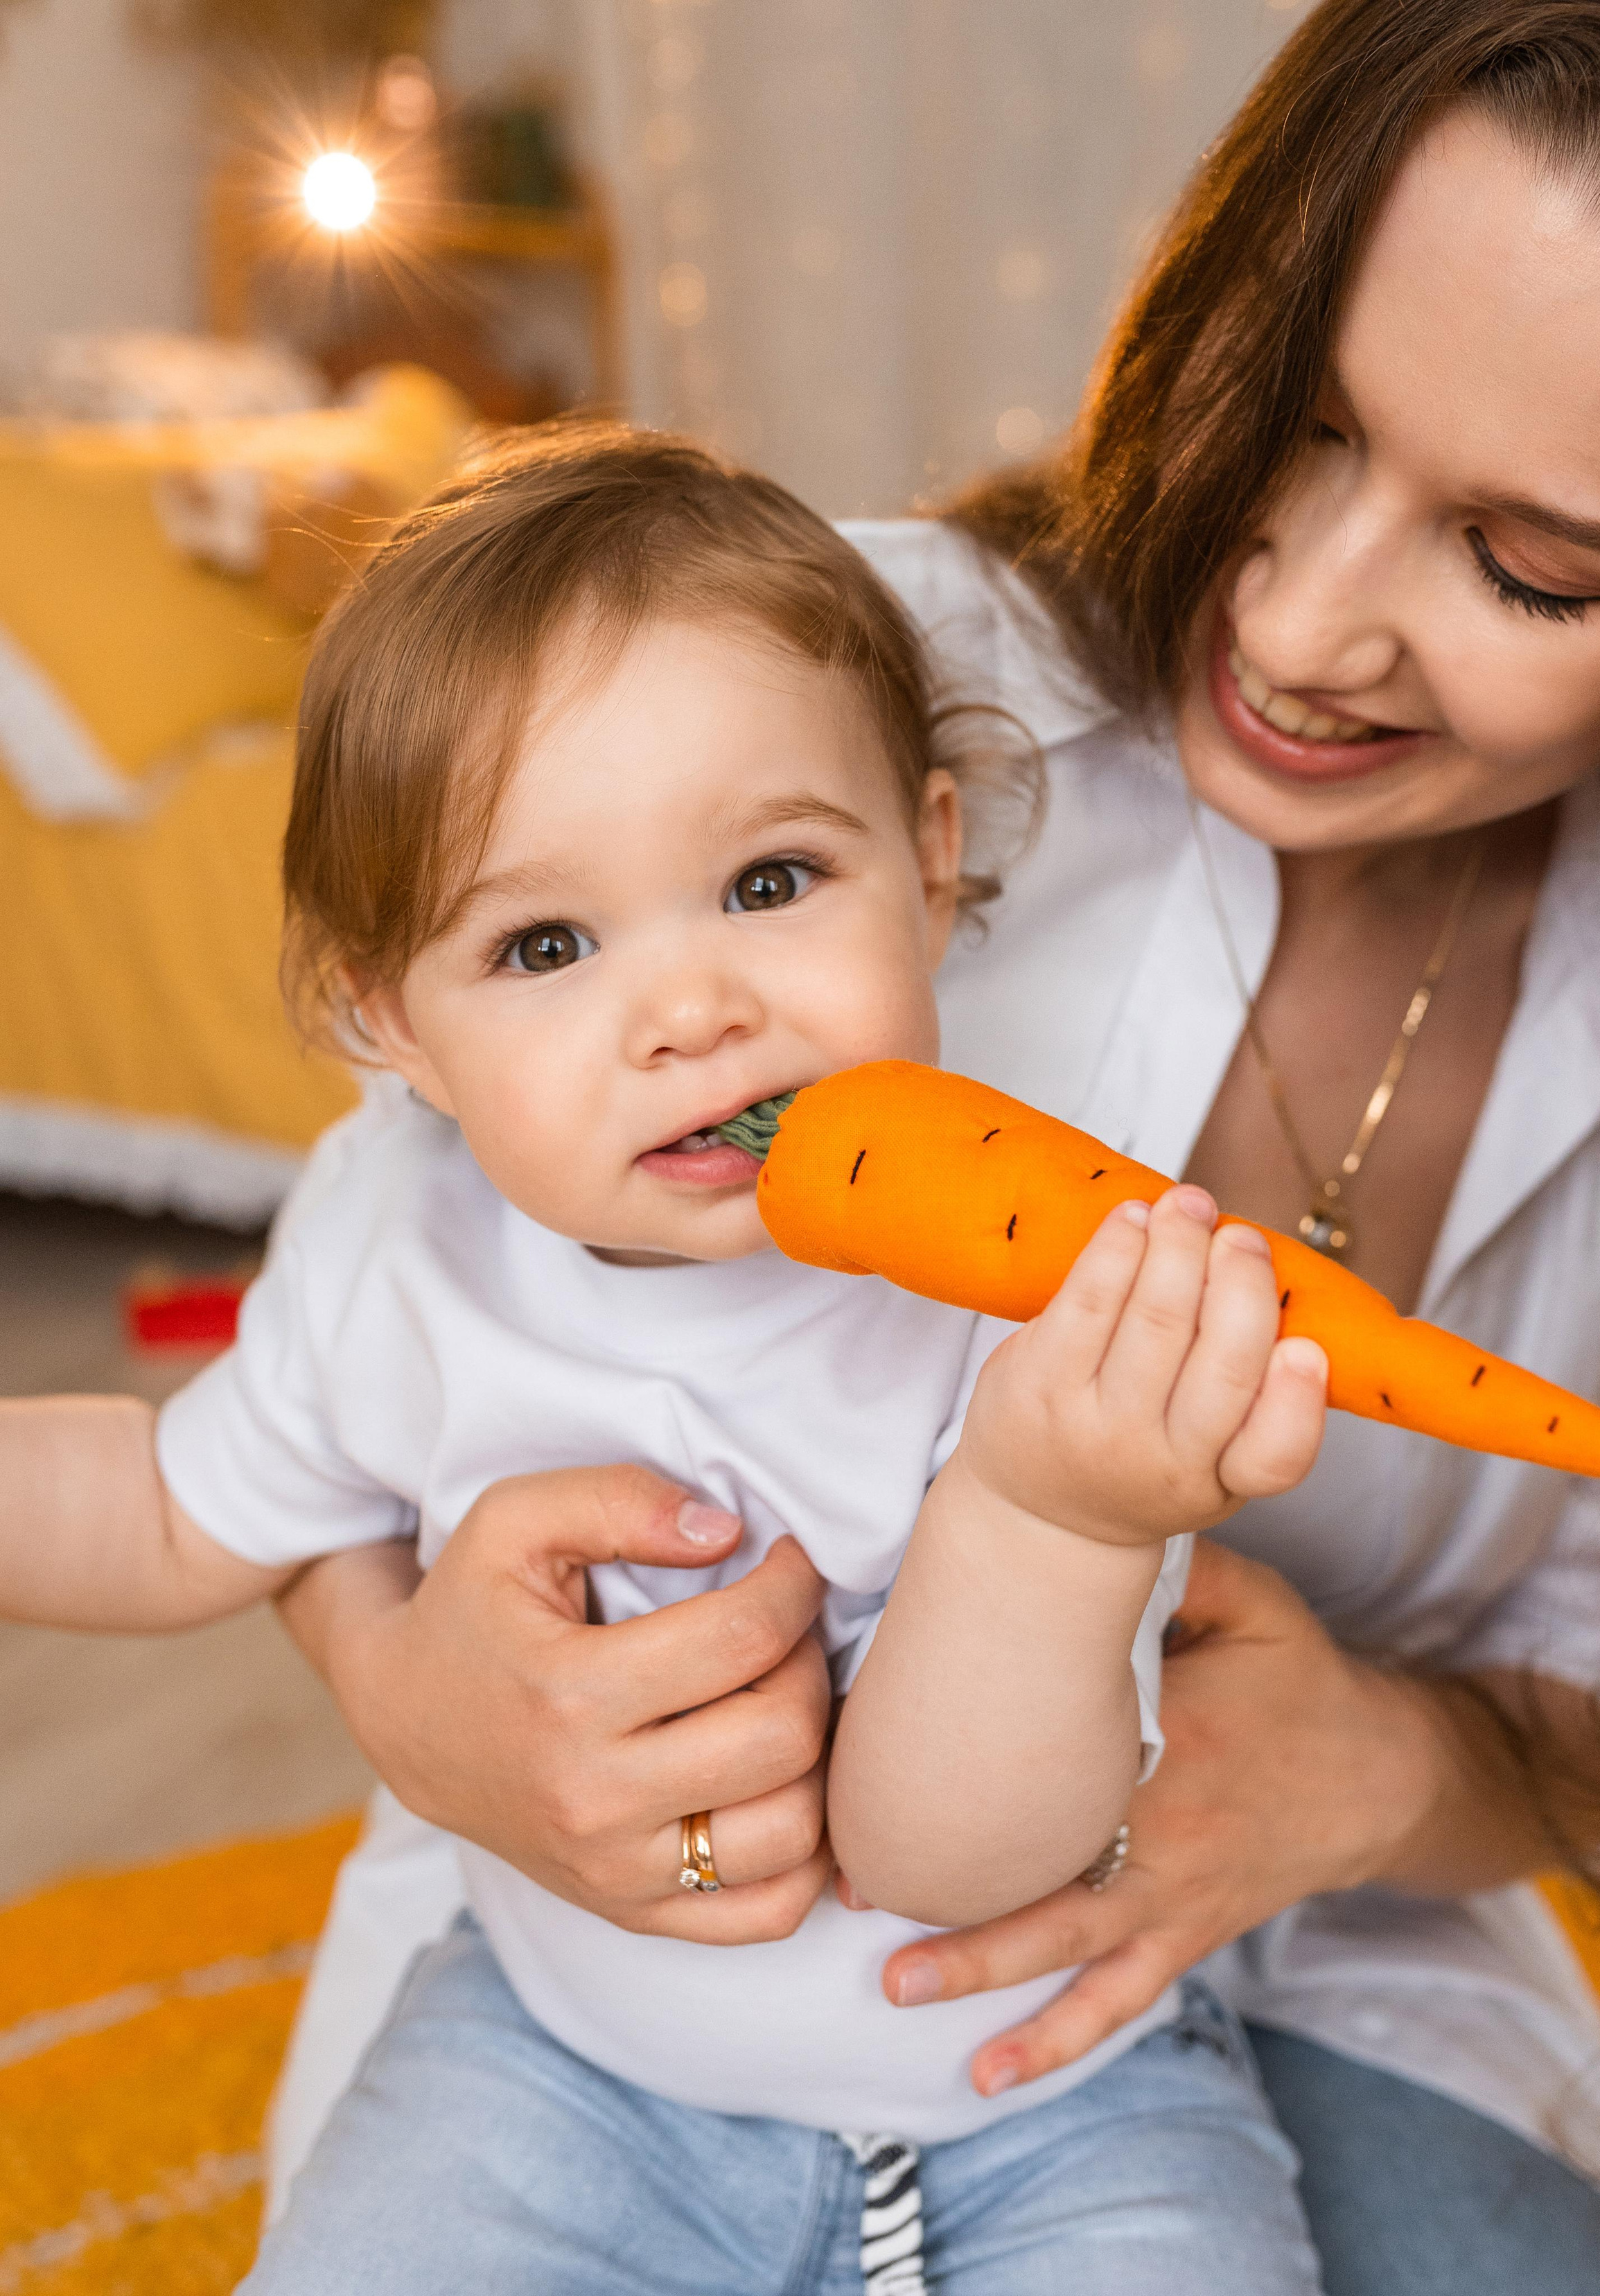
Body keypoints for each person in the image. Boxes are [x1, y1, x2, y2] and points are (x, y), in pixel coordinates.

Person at [265, 2, 1600, 2288]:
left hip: (1269, 1973)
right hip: (630, 1973)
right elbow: (356, 1322)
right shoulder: (833, 691)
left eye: (1531, 569)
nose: (1298, 615)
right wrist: (420, 1699)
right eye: (1300, 413)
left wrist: (1371, 1769)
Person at [0, 428, 1341, 2291]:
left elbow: (943, 1854)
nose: (692, 1005)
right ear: (394, 1017)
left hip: (1056, 2099)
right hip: (558, 2068)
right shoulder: (403, 1232)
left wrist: (1056, 1511)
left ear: (932, 865)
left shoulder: (1038, 1276)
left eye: (774, 882)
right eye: (547, 938)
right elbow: (168, 1508)